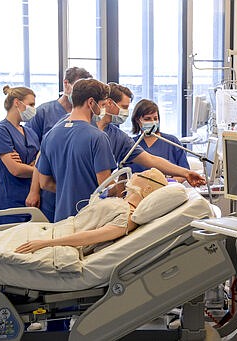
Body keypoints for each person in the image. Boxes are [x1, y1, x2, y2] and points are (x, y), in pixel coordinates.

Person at [15, 168, 168, 254]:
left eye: (144, 174)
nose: (135, 174)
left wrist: (47, 243)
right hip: (54, 230)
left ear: (147, 188)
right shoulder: (121, 203)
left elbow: (89, 238)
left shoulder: (128, 217)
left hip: (58, 242)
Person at [36, 78, 117, 222]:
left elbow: (44, 183)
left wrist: (67, 191)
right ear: (91, 102)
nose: (103, 110)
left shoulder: (50, 136)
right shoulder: (97, 137)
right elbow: (105, 187)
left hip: (61, 220)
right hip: (89, 220)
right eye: (103, 104)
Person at [94, 83, 205, 186]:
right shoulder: (87, 131)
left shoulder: (119, 137)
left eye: (155, 118)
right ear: (108, 103)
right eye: (124, 107)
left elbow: (150, 159)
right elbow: (105, 177)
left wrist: (185, 173)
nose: (126, 112)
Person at [25, 67, 92, 222]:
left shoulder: (89, 117)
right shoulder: (44, 112)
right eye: (77, 88)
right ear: (66, 84)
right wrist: (34, 191)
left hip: (78, 189)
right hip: (49, 187)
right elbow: (38, 156)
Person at [0, 85, 40, 226]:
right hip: (7, 203)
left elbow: (39, 160)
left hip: (29, 202)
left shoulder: (29, 132)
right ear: (17, 103)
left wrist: (29, 167)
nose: (34, 109)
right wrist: (38, 171)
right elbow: (16, 170)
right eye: (31, 104)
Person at [130, 99, 189, 182]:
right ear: (137, 120)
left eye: (155, 118)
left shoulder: (172, 142)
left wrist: (165, 184)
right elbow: (124, 176)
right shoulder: (131, 145)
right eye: (147, 119)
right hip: (139, 191)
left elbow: (184, 173)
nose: (153, 122)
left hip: (168, 191)